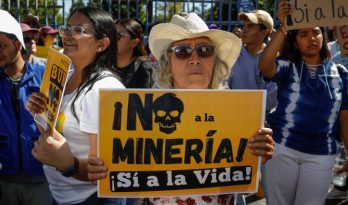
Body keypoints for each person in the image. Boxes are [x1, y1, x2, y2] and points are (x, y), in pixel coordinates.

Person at [87, 12, 275, 205]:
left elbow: (249, 182)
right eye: (182, 51)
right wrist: (102, 169)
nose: (195, 59)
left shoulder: (237, 113)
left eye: (204, 50)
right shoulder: (142, 115)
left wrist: (257, 157)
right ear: (169, 62)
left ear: (214, 60)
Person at [26, 7, 126, 205]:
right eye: (68, 28)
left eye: (79, 30)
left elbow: (106, 171)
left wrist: (68, 164)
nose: (68, 36)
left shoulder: (104, 90)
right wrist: (38, 112)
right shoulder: (64, 74)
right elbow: (55, 131)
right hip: (62, 197)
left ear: (102, 44)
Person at [259, 1, 348, 205]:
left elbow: (345, 119)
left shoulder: (341, 74)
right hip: (282, 150)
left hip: (322, 155)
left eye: (315, 33)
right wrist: (284, 27)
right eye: (303, 34)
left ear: (323, 37)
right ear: (295, 41)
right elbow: (265, 65)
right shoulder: (287, 68)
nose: (311, 39)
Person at [0, 8, 52, 205]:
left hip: (43, 178)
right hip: (0, 178)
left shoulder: (45, 74)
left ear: (17, 44)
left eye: (0, 45)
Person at [228, 9, 277, 111]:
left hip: (264, 121)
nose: (244, 30)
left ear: (264, 32)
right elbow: (223, 88)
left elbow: (271, 100)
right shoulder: (232, 55)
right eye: (244, 26)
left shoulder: (274, 60)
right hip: (233, 115)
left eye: (250, 26)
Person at [114, 18, 155, 88]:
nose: (112, 39)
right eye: (111, 35)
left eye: (118, 35)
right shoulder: (105, 65)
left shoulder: (144, 68)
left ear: (134, 42)